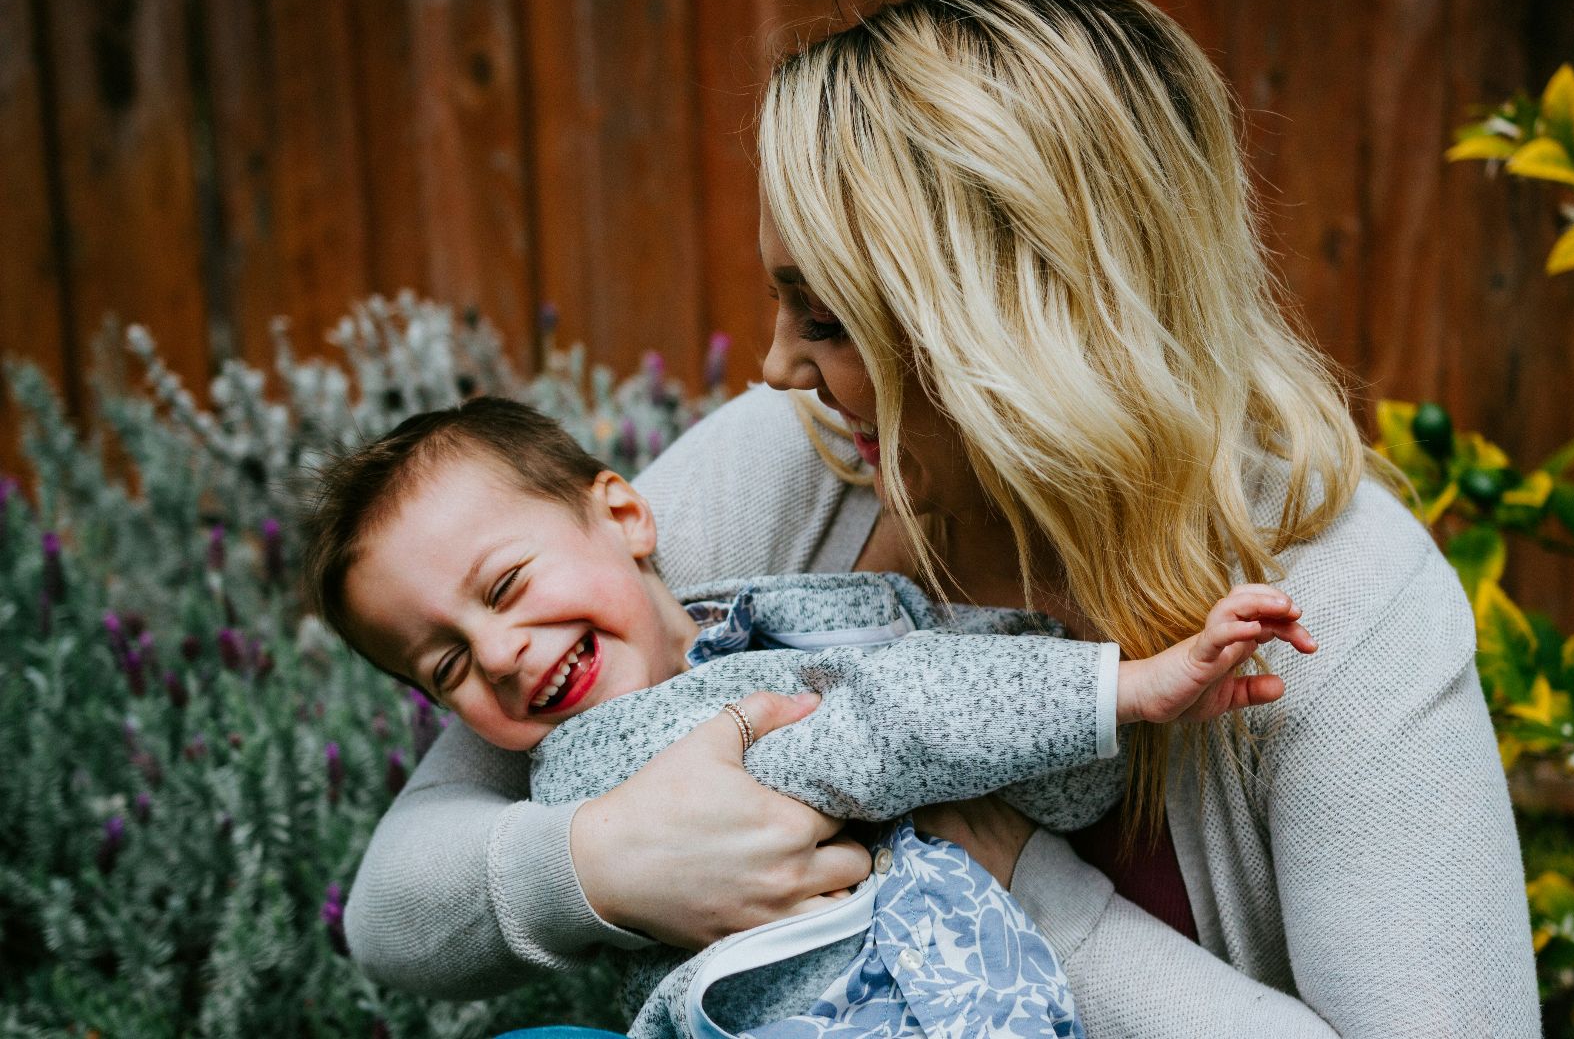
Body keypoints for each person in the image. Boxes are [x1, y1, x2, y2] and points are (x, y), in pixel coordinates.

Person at [346, 0, 1540, 1036]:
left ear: (1015, 323)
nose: (776, 368)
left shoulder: (1341, 602)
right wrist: (601, 863)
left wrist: (1019, 879)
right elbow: (398, 904)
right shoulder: (796, 461)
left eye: (826, 320)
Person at [308, 396, 1315, 1037]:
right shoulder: (605, 756)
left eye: (506, 587)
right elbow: (879, 727)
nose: (499, 654)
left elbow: (1015, 752)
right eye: (446, 666)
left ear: (624, 515)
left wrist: (1078, 736)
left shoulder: (772, 618)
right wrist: (1124, 690)